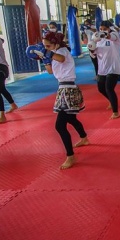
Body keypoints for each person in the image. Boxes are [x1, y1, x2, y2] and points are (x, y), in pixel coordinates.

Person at [37, 32, 88, 169]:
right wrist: (44, 59)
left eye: (48, 45)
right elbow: (50, 72)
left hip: (68, 89)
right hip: (63, 88)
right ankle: (84, 138)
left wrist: (47, 53)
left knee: (59, 126)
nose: (46, 47)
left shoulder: (62, 51)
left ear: (56, 43)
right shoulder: (53, 53)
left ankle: (70, 156)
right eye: (44, 46)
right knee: (71, 119)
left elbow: (61, 59)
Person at [90, 20, 120, 119]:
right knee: (101, 89)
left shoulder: (114, 35)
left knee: (109, 88)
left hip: (113, 67)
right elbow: (94, 53)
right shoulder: (98, 40)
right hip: (102, 68)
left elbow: (111, 37)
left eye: (105, 29)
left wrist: (104, 34)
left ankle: (115, 112)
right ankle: (111, 100)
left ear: (109, 28)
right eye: (101, 29)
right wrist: (91, 47)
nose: (102, 30)